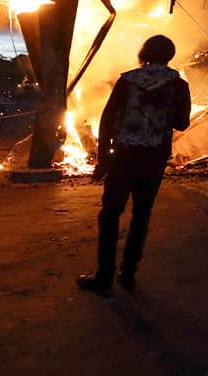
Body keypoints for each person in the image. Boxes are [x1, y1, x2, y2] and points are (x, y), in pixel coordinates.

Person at [77, 35, 190, 294]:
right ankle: (128, 274)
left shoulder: (127, 81)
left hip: (124, 155)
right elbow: (182, 123)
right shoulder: (178, 85)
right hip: (154, 157)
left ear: (144, 52)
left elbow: (107, 121)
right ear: (170, 56)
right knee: (141, 214)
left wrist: (102, 157)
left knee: (110, 213)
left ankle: (104, 276)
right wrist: (163, 111)